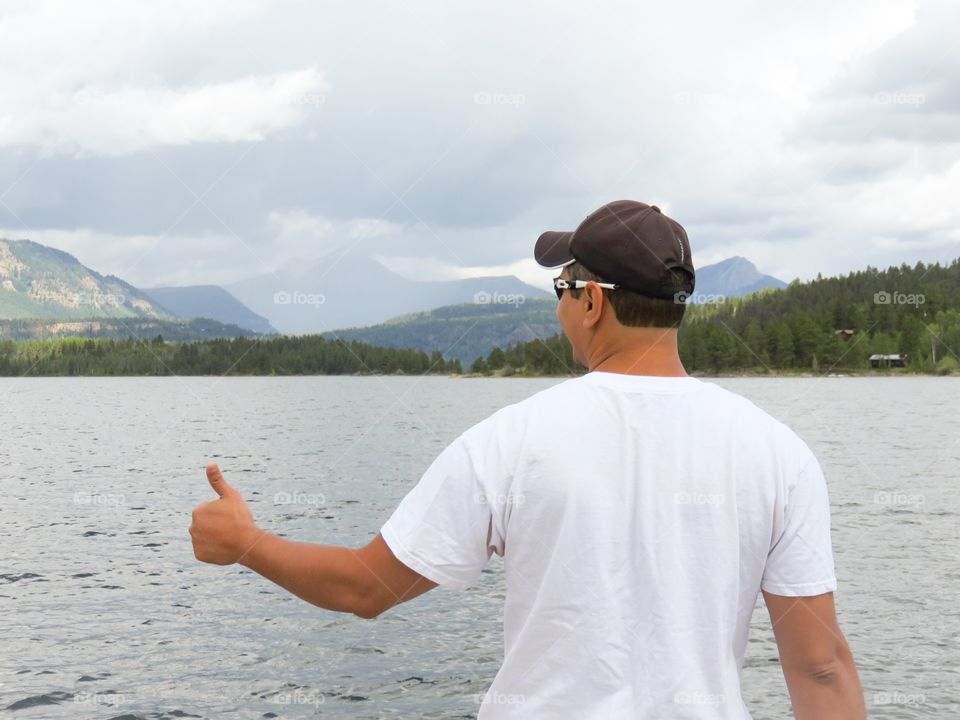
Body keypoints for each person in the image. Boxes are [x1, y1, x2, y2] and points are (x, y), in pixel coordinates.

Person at [190, 200, 866, 719]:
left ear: (593, 302)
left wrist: (247, 543)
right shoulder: (779, 453)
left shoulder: (512, 440)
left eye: (563, 287)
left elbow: (364, 588)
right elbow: (822, 667)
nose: (561, 307)